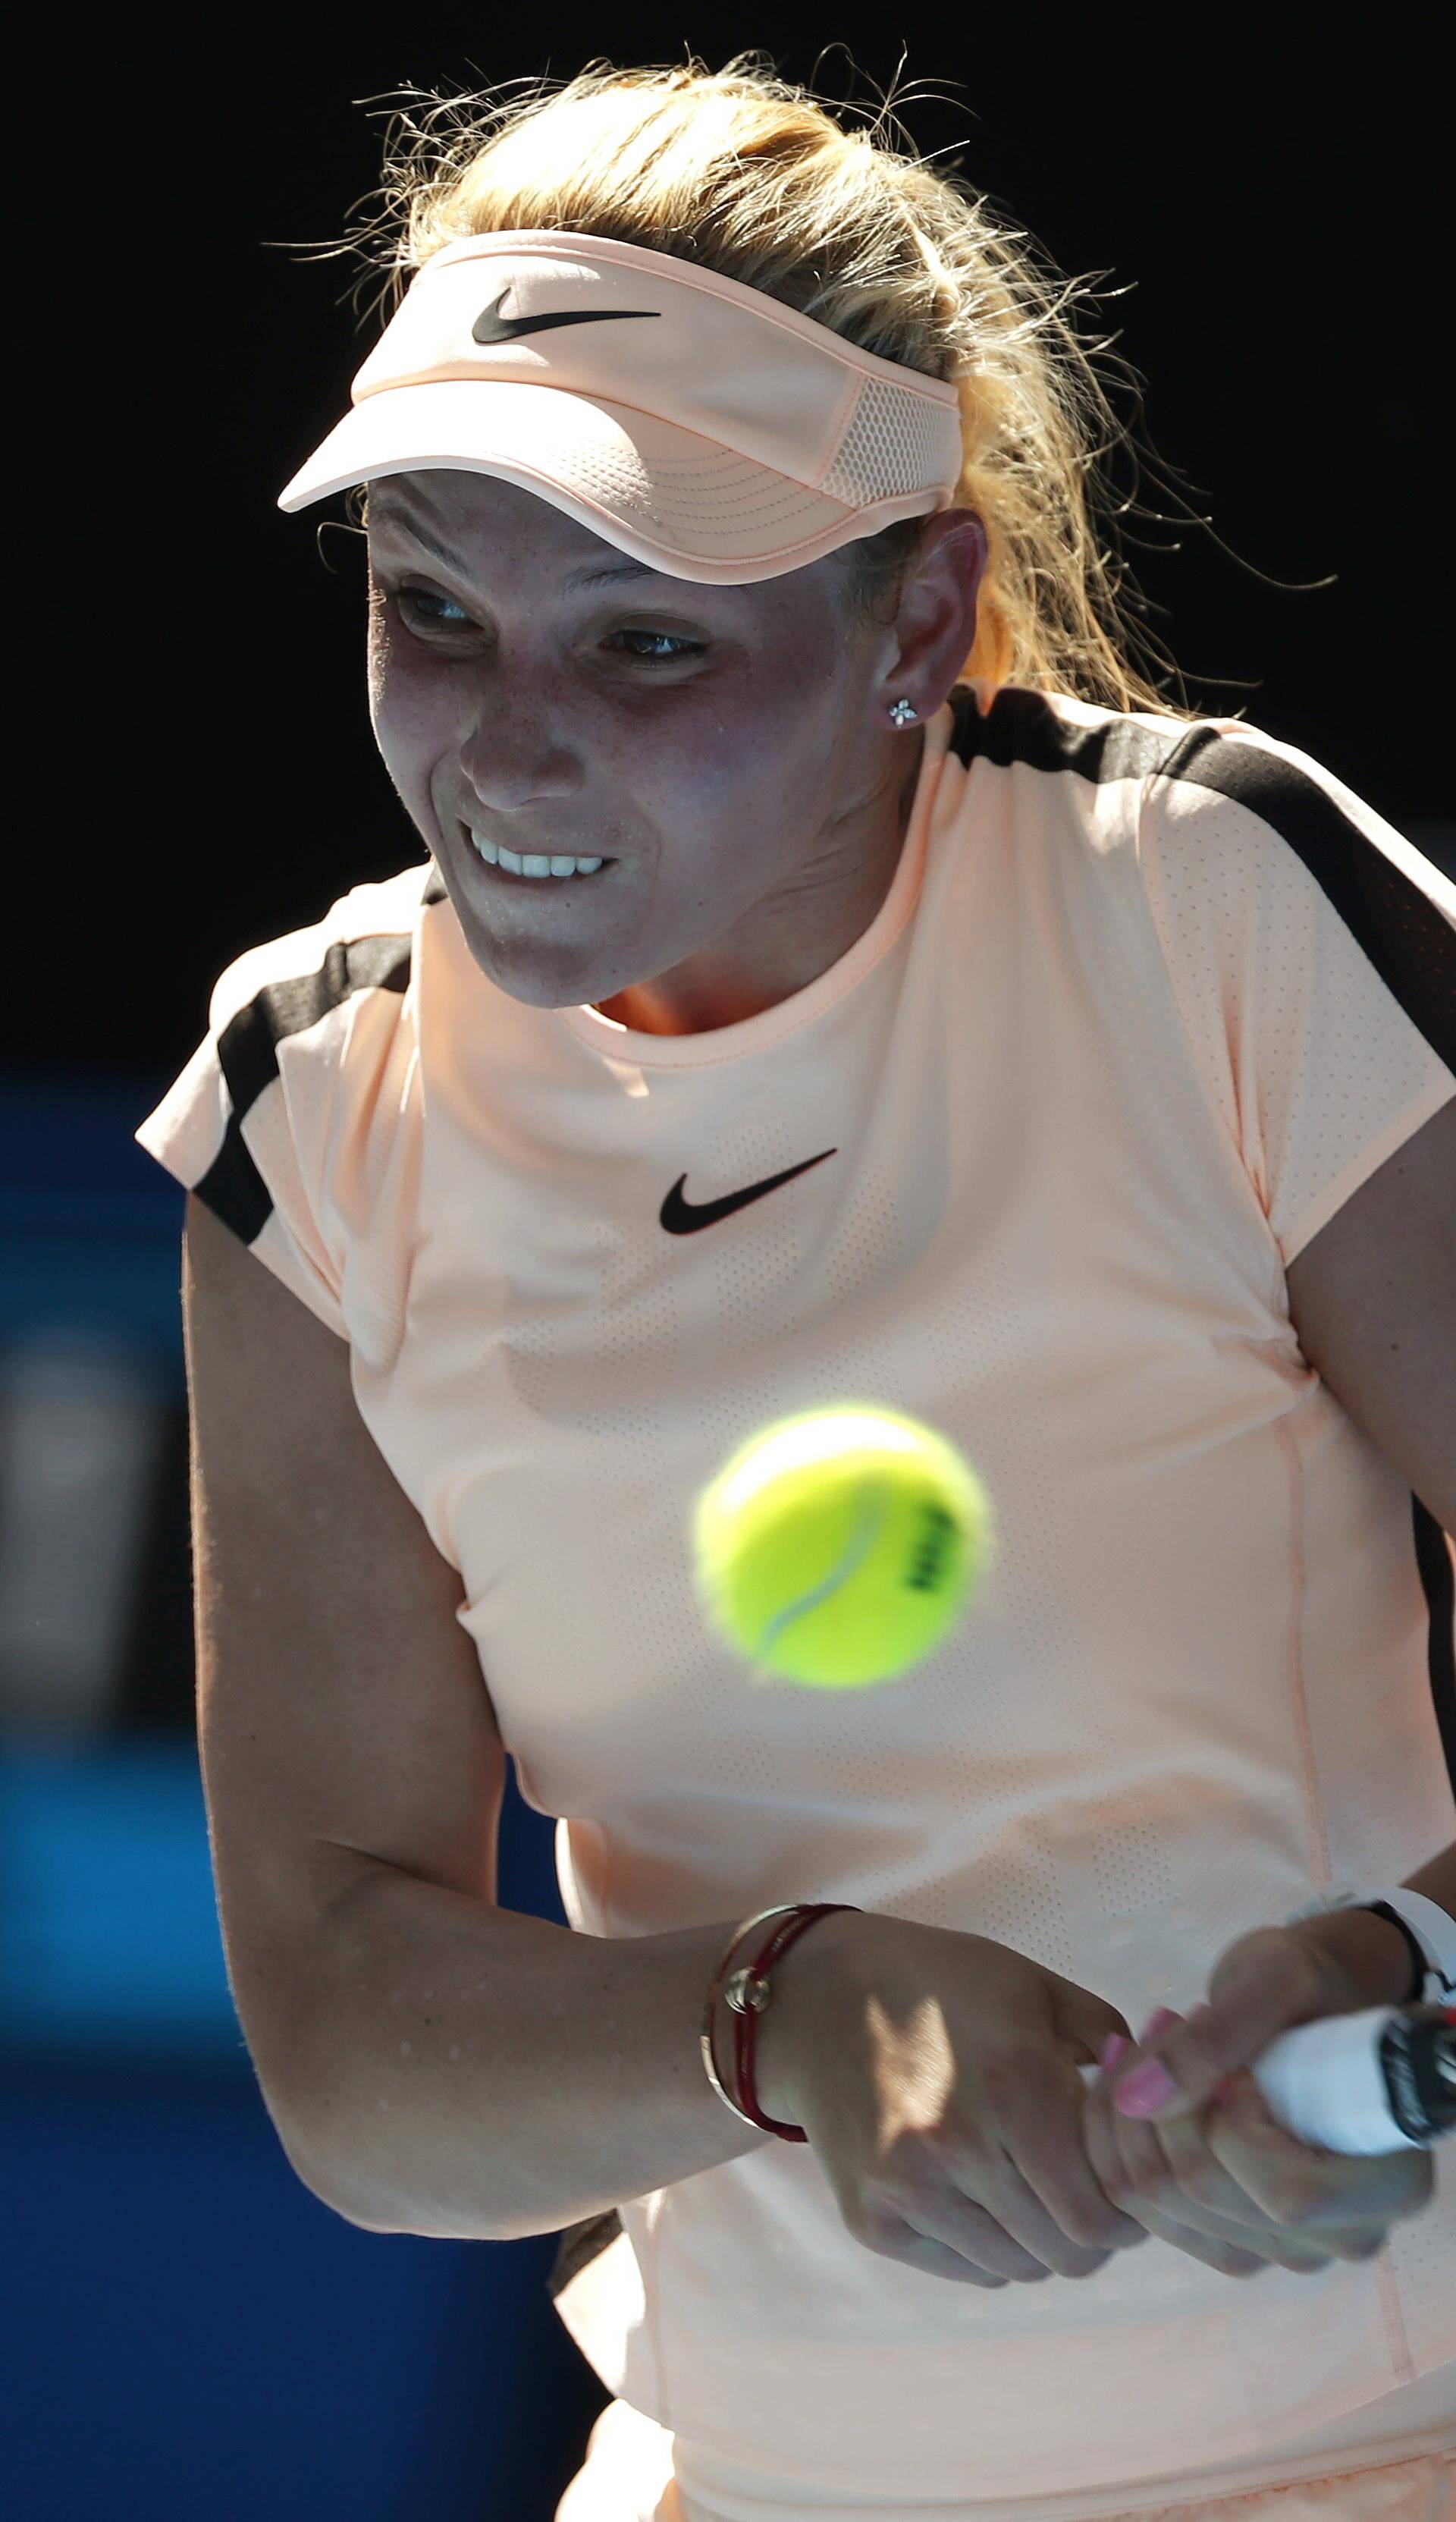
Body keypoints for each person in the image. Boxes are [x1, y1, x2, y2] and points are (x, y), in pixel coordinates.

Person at [136, 54, 1455, 2522]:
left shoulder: (1205, 904)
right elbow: (352, 2060)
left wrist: (1418, 1982)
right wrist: (787, 2013)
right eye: (432, 610)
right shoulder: (309, 1101)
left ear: (916, 618)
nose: (502, 749)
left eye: (642, 646)